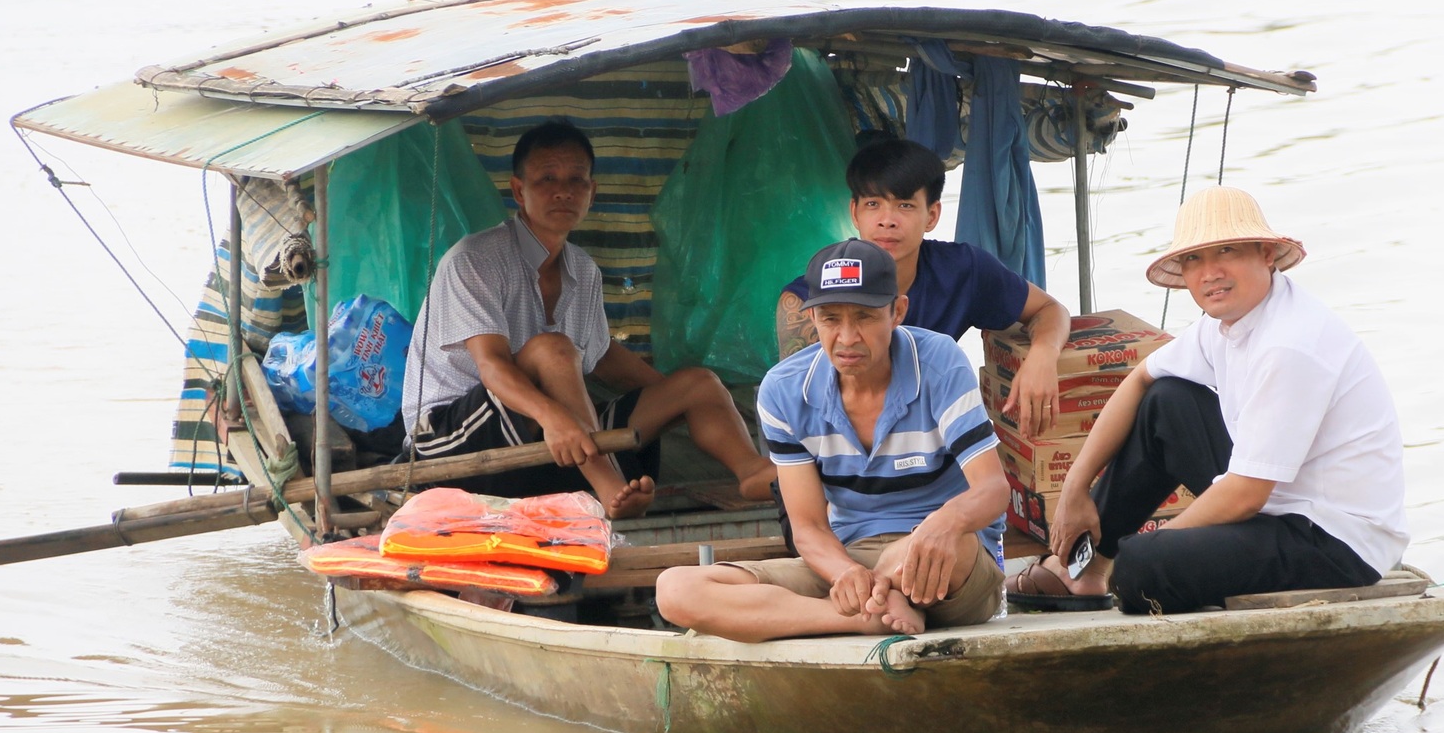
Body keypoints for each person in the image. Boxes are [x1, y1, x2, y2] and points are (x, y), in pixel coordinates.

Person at [1007, 187, 1408, 613]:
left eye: (1228, 251)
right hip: (1278, 505)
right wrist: (1074, 488)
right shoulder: (1226, 322)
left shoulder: (1290, 344)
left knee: (1142, 569)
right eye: (1194, 259)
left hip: (1335, 539)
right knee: (1167, 400)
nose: (1210, 272)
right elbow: (1141, 378)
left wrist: (1168, 543)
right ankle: (1084, 571)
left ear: (1267, 253)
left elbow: (1245, 495)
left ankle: (1116, 567)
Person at [400, 121, 775, 519]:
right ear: (518, 190)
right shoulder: (475, 259)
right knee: (553, 349)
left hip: (544, 441)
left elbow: (603, 357)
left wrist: (681, 399)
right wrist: (553, 418)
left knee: (698, 383)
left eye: (577, 180)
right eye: (547, 178)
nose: (563, 191)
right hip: (448, 438)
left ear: (592, 191)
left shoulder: (583, 268)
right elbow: (492, 366)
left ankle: (753, 473)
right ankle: (608, 486)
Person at [656, 240, 1010, 642]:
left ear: (898, 312)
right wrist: (846, 575)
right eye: (829, 318)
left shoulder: (939, 361)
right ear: (813, 320)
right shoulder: (784, 389)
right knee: (677, 590)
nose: (846, 338)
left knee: (945, 547)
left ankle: (871, 598)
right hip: (847, 559)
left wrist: (941, 525)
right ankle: (862, 617)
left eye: (864, 317)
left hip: (946, 562)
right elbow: (807, 527)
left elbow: (992, 489)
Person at [774, 137, 1071, 437]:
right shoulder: (807, 301)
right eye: (873, 204)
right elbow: (799, 412)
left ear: (931, 215)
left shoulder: (963, 270)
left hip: (928, 436)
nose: (887, 221)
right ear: (855, 213)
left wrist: (1042, 358)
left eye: (904, 205)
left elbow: (1049, 309)